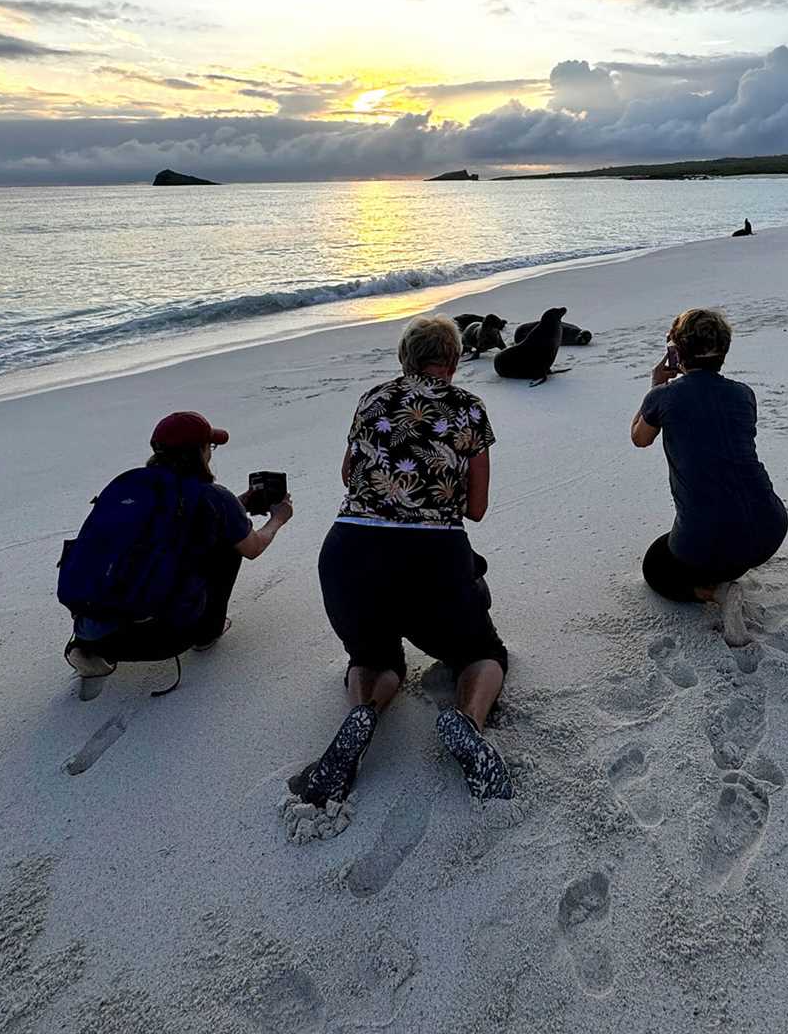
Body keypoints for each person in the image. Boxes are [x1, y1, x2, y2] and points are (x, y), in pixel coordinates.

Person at [290, 315, 512, 806]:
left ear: (403, 361)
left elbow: (349, 474)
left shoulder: (371, 398)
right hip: (431, 557)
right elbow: (475, 509)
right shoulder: (469, 409)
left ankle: (364, 710)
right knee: (482, 654)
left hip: (348, 550)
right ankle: (467, 721)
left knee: (373, 658)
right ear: (453, 362)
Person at [63, 412, 293, 695]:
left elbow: (175, 521)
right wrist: (278, 519)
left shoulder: (127, 483)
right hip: (165, 638)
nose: (211, 452)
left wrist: (236, 505)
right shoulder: (212, 496)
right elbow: (253, 547)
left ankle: (92, 646)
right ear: (199, 451)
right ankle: (207, 632)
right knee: (228, 547)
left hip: (89, 623)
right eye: (210, 446)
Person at [630, 308, 787, 647]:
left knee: (656, 566)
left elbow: (639, 438)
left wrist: (656, 385)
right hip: (770, 528)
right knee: (719, 536)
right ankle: (724, 572)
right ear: (724, 351)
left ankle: (715, 592)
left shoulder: (664, 397)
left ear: (677, 351)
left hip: (706, 539)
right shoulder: (744, 394)